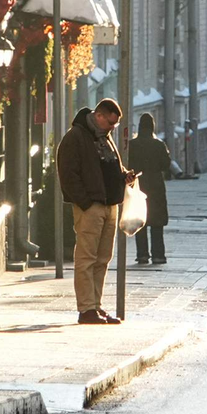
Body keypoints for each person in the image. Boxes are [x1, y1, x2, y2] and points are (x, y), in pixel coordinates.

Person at [57, 98, 136, 325]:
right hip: (91, 206)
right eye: (110, 123)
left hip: (110, 204)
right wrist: (85, 202)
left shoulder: (104, 137)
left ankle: (96, 306)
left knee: (102, 259)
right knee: (86, 258)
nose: (112, 128)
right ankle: (86, 309)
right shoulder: (76, 137)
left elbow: (109, 167)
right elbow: (67, 173)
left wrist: (124, 176)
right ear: (98, 115)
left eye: (115, 124)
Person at [129, 113, 171, 265]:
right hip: (156, 185)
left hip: (138, 185)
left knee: (140, 220)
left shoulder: (132, 145)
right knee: (157, 222)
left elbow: (128, 164)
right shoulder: (159, 145)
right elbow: (166, 165)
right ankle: (158, 255)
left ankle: (142, 255)